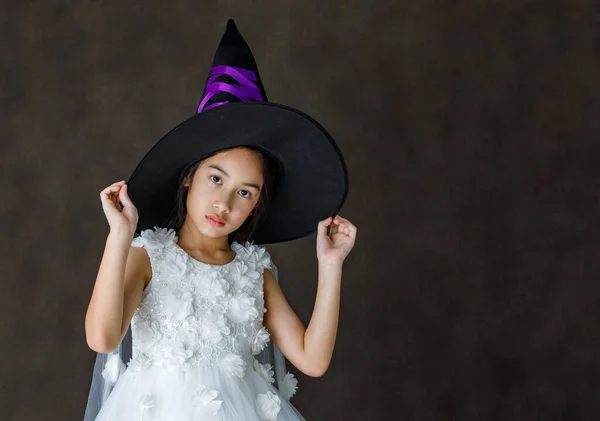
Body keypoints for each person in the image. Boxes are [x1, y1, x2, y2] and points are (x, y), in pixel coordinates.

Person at [83, 19, 356, 421]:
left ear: (257, 204)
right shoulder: (149, 256)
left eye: (245, 192)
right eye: (216, 178)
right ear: (189, 176)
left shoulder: (253, 271)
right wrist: (120, 236)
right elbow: (102, 337)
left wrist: (331, 266)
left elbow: (312, 360)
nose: (224, 203)